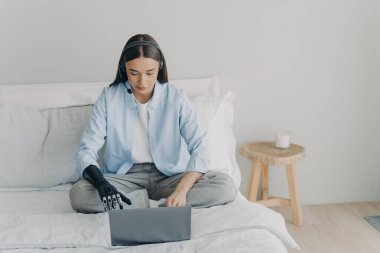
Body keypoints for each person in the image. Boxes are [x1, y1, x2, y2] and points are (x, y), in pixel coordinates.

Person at [69, 34, 237, 213]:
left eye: (150, 73)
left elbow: (201, 149)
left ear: (160, 67)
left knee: (225, 186)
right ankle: (157, 207)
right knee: (79, 193)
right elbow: (86, 150)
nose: (142, 82)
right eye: (134, 73)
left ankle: (147, 204)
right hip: (125, 178)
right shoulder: (108, 97)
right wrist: (102, 183)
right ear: (124, 68)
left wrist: (181, 191)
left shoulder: (176, 97)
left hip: (170, 177)